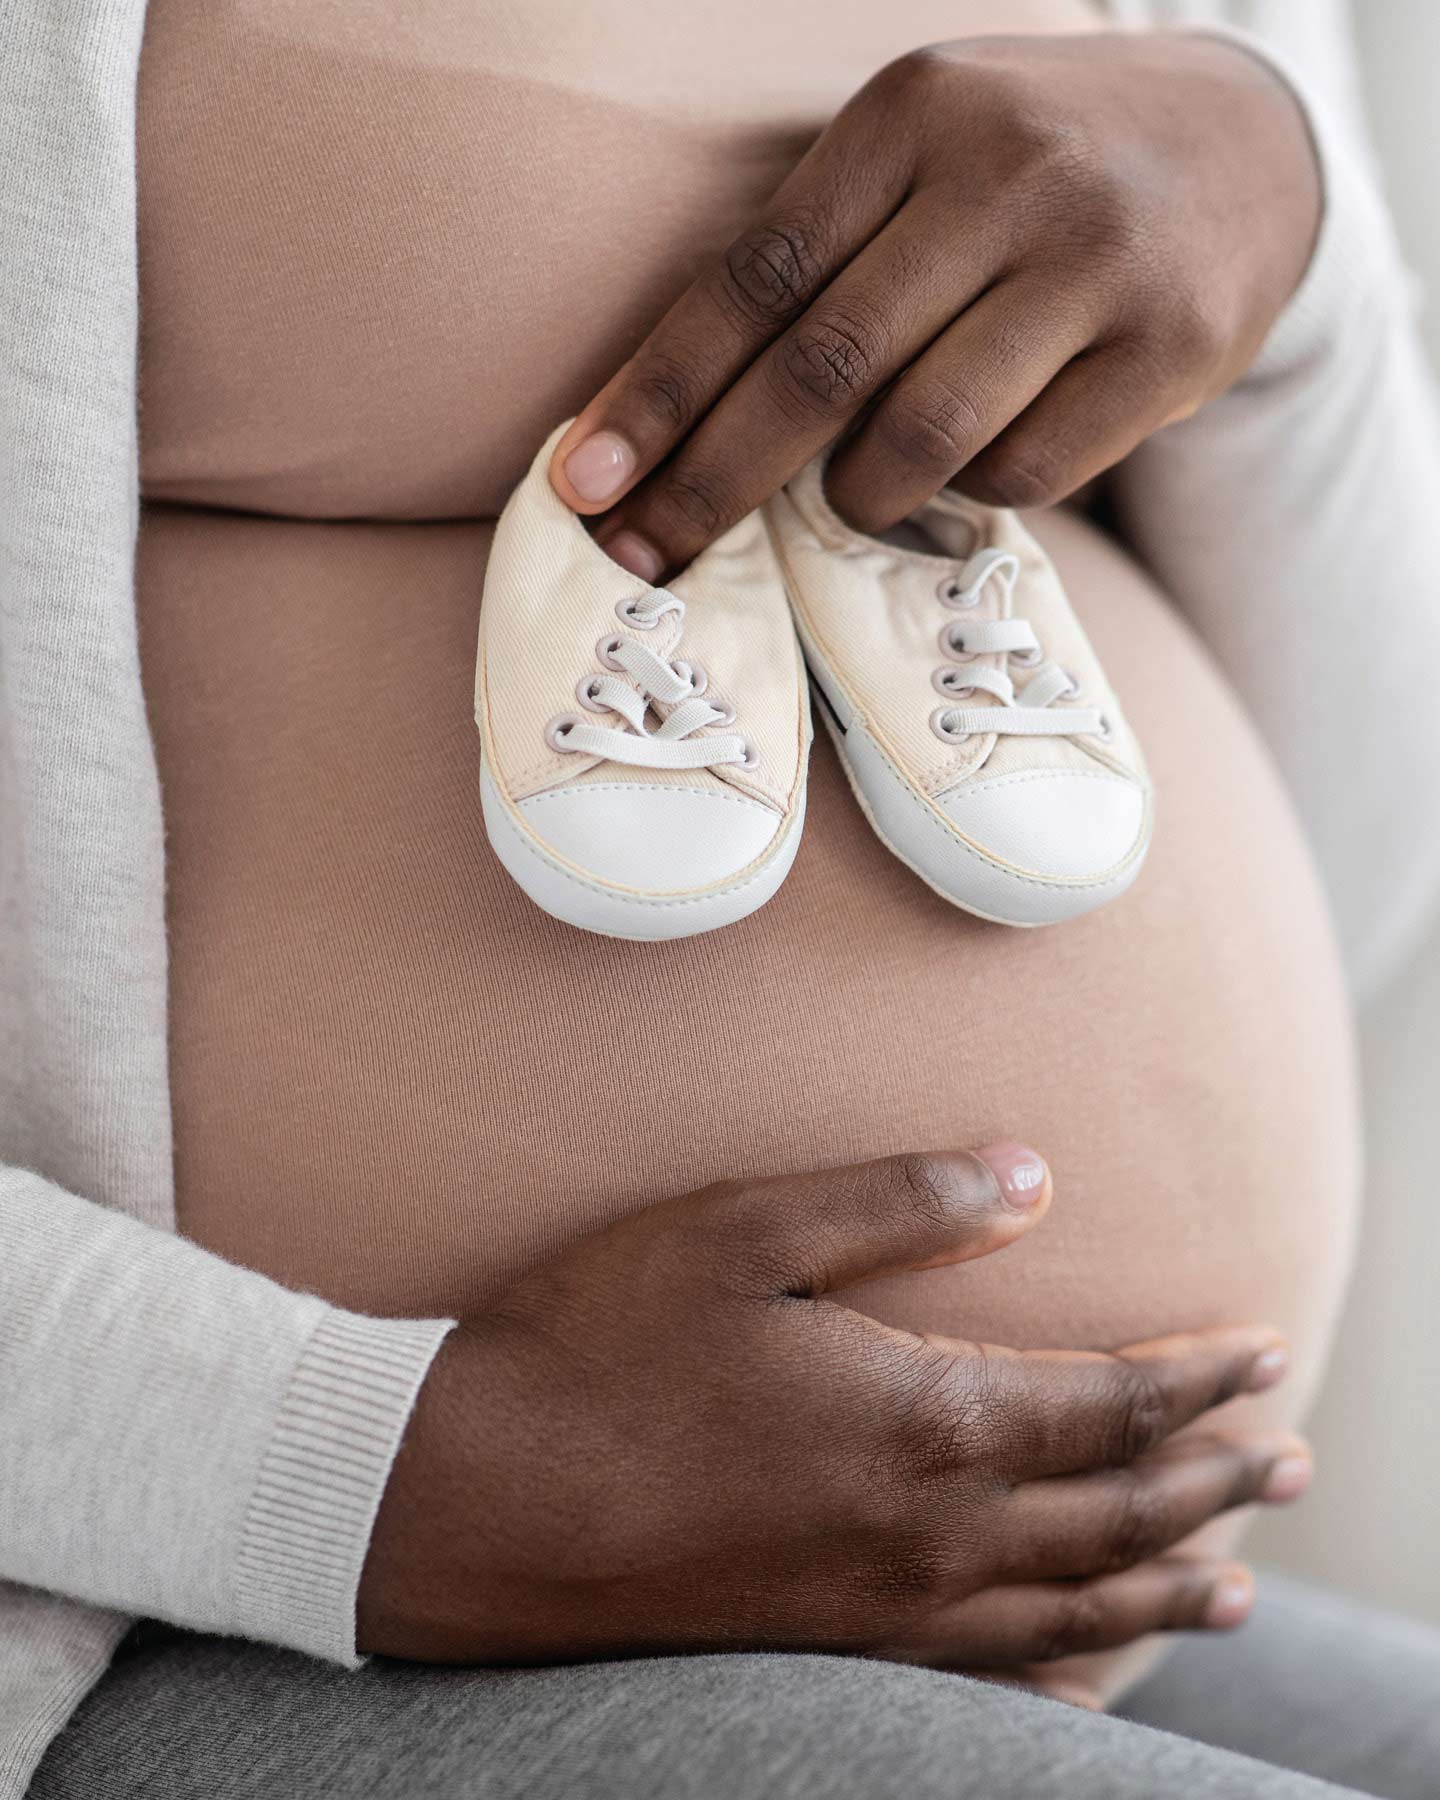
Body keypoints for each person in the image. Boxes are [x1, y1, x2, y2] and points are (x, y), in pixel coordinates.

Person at [4, 2, 1439, 1796]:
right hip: (140, 1591)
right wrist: (340, 1472)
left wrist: (1287, 237)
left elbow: (1364, 848)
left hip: (1059, 1592)